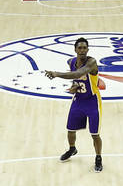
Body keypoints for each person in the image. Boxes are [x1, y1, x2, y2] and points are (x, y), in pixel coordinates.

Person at [44, 37, 104, 173]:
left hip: (92, 101)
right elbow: (76, 78)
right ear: (75, 49)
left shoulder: (92, 62)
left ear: (88, 50)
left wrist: (56, 74)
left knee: (95, 134)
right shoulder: (71, 62)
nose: (82, 50)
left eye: (84, 48)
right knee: (70, 129)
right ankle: (72, 149)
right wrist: (74, 87)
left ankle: (98, 157)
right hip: (78, 100)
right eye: (80, 48)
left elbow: (78, 73)